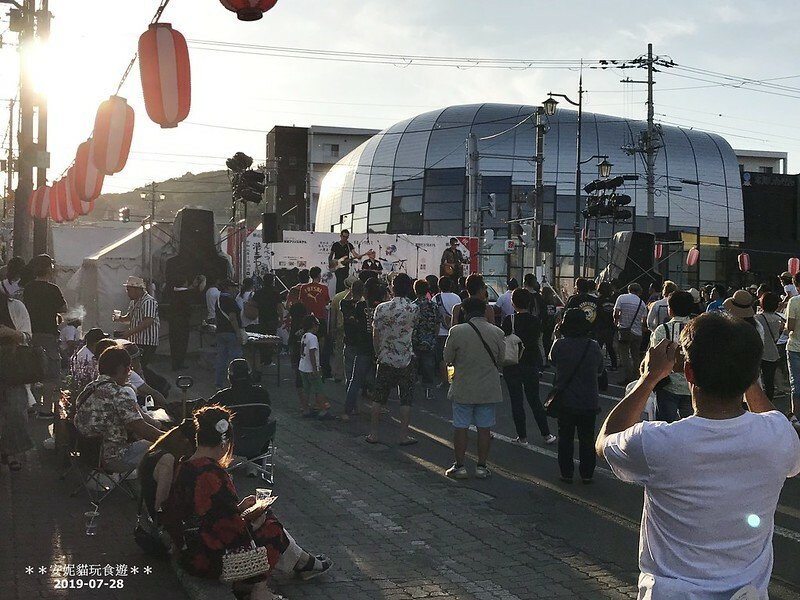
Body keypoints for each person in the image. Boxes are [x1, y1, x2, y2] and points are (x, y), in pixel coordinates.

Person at [597, 313, 800, 599]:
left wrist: (649, 378)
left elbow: (605, 441)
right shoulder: (779, 435)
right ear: (754, 373)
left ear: (688, 373)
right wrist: (745, 375)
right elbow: (771, 416)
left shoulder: (657, 442)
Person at [163, 405, 332, 598]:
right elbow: (230, 530)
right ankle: (259, 588)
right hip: (208, 556)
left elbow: (207, 512)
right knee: (272, 527)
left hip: (191, 547)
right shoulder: (212, 475)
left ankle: (304, 563)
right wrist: (253, 519)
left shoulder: (185, 466)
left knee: (265, 518)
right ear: (224, 443)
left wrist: (240, 508)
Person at [73, 346, 163, 472]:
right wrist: (171, 438)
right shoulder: (119, 394)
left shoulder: (88, 389)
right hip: (113, 458)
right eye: (129, 369)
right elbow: (144, 430)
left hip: (87, 455)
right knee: (163, 450)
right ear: (125, 369)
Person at [443, 296, 504, 479]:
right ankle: (482, 466)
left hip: (464, 385)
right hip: (488, 387)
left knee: (460, 426)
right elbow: (501, 361)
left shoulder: (457, 331)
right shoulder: (497, 332)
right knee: (484, 428)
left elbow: (448, 358)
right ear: (485, 311)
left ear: (465, 312)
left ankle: (460, 466)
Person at [550, 309, 604, 483]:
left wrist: (556, 335)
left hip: (565, 399)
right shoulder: (593, 346)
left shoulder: (559, 345)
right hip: (589, 399)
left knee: (565, 438)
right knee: (587, 438)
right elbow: (600, 370)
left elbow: (552, 361)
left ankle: (566, 473)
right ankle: (587, 473)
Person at [367, 273, 419, 445]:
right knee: (406, 398)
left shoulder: (381, 308)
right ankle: (403, 436)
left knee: (378, 397)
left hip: (385, 356)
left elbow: (376, 334)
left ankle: (373, 434)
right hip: (406, 356)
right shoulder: (413, 308)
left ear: (392, 287)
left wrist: (377, 353)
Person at [501, 288, 554, 446]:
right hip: (530, 363)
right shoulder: (534, 321)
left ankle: (522, 437)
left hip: (512, 364)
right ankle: (546, 434)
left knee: (516, 401)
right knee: (534, 400)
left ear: (513, 302)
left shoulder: (508, 320)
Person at [22, 253, 67, 419]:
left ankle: (31, 405)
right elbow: (63, 308)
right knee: (50, 374)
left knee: (32, 371)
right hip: (48, 334)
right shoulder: (53, 289)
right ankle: (46, 410)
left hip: (30, 334)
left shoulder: (28, 288)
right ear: (49, 269)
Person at [0, 283, 34, 471]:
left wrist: (10, 333)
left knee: (15, 411)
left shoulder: (15, 307)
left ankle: (12, 451)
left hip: (13, 367)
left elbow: (28, 338)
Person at [650, 291, 694, 423]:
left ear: (671, 309)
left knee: (664, 425)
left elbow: (655, 356)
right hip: (692, 384)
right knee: (689, 426)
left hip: (668, 383)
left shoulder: (662, 330)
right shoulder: (698, 328)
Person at [344, 278, 382, 418]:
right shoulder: (382, 306)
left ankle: (348, 411)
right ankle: (379, 407)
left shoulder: (360, 306)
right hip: (378, 348)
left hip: (363, 346)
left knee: (355, 380)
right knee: (379, 381)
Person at [114, 275, 160, 367]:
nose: (127, 293)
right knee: (135, 366)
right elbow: (130, 318)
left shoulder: (148, 301)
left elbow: (148, 321)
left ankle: (160, 381)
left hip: (146, 341)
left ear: (137, 289)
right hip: (137, 340)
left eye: (129, 290)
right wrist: (120, 318)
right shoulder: (134, 301)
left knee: (141, 366)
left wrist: (129, 332)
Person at [210, 358, 271, 427]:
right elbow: (267, 412)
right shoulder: (262, 393)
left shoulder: (222, 396)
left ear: (230, 377)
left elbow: (206, 409)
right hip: (260, 435)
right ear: (250, 375)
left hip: (234, 435)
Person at [298, 266, 332, 379]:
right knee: (321, 346)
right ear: (319, 275)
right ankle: (322, 368)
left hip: (307, 319)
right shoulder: (324, 288)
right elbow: (327, 301)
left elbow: (301, 301)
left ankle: (305, 368)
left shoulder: (303, 288)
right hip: (320, 318)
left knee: (306, 344)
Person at [298, 315, 333, 419]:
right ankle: (323, 411)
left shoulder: (304, 336)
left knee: (306, 389)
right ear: (313, 325)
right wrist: (315, 369)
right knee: (319, 389)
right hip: (310, 368)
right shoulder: (313, 338)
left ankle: (305, 409)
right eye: (317, 325)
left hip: (303, 366)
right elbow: (312, 353)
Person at [613, 282, 647, 384]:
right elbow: (644, 320)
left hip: (624, 330)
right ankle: (636, 375)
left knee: (624, 355)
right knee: (635, 355)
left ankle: (628, 377)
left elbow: (616, 312)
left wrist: (616, 321)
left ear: (629, 289)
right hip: (637, 332)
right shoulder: (642, 303)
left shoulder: (621, 298)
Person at [214, 280, 244, 390]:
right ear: (227, 288)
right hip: (231, 332)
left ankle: (218, 383)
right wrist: (238, 333)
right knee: (235, 359)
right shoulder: (230, 300)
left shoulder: (218, 300)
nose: (236, 289)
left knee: (221, 358)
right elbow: (232, 318)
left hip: (220, 331)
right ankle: (236, 383)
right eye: (233, 287)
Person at [168, 275, 203, 372]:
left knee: (174, 343)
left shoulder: (172, 293)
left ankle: (174, 364)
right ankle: (180, 363)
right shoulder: (187, 294)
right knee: (182, 343)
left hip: (173, 321)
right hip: (183, 322)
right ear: (184, 283)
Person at [412, 279, 439, 401]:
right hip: (429, 340)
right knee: (429, 366)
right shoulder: (433, 305)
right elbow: (437, 323)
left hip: (415, 340)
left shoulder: (412, 306)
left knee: (413, 366)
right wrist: (434, 336)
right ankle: (428, 390)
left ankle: (411, 389)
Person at [433, 277, 461, 387]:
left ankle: (445, 380)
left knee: (442, 358)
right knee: (455, 357)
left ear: (439, 286)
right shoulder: (457, 297)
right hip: (454, 330)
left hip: (440, 332)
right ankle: (454, 379)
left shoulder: (436, 298)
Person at [756, 292, 784, 401]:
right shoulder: (779, 319)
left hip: (760, 352)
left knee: (756, 381)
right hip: (773, 353)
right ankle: (769, 404)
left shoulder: (757, 318)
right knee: (769, 382)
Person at [329, 275, 356, 383]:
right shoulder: (360, 297)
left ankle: (338, 374)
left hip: (340, 328)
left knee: (339, 351)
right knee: (353, 353)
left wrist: (332, 328)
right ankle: (351, 376)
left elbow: (333, 315)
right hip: (353, 328)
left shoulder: (337, 297)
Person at [329, 229, 363, 293]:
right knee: (339, 281)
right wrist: (331, 264)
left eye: (347, 237)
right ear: (340, 236)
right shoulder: (336, 245)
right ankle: (338, 296)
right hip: (338, 266)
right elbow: (330, 256)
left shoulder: (349, 245)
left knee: (345, 282)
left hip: (345, 266)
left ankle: (343, 296)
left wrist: (359, 256)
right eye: (344, 237)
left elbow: (354, 254)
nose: (345, 238)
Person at [594, 282, 618, 371]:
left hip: (600, 325)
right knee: (609, 346)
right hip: (611, 325)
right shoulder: (613, 300)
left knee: (598, 346)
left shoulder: (598, 300)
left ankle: (597, 365)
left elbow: (597, 313)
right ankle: (614, 364)